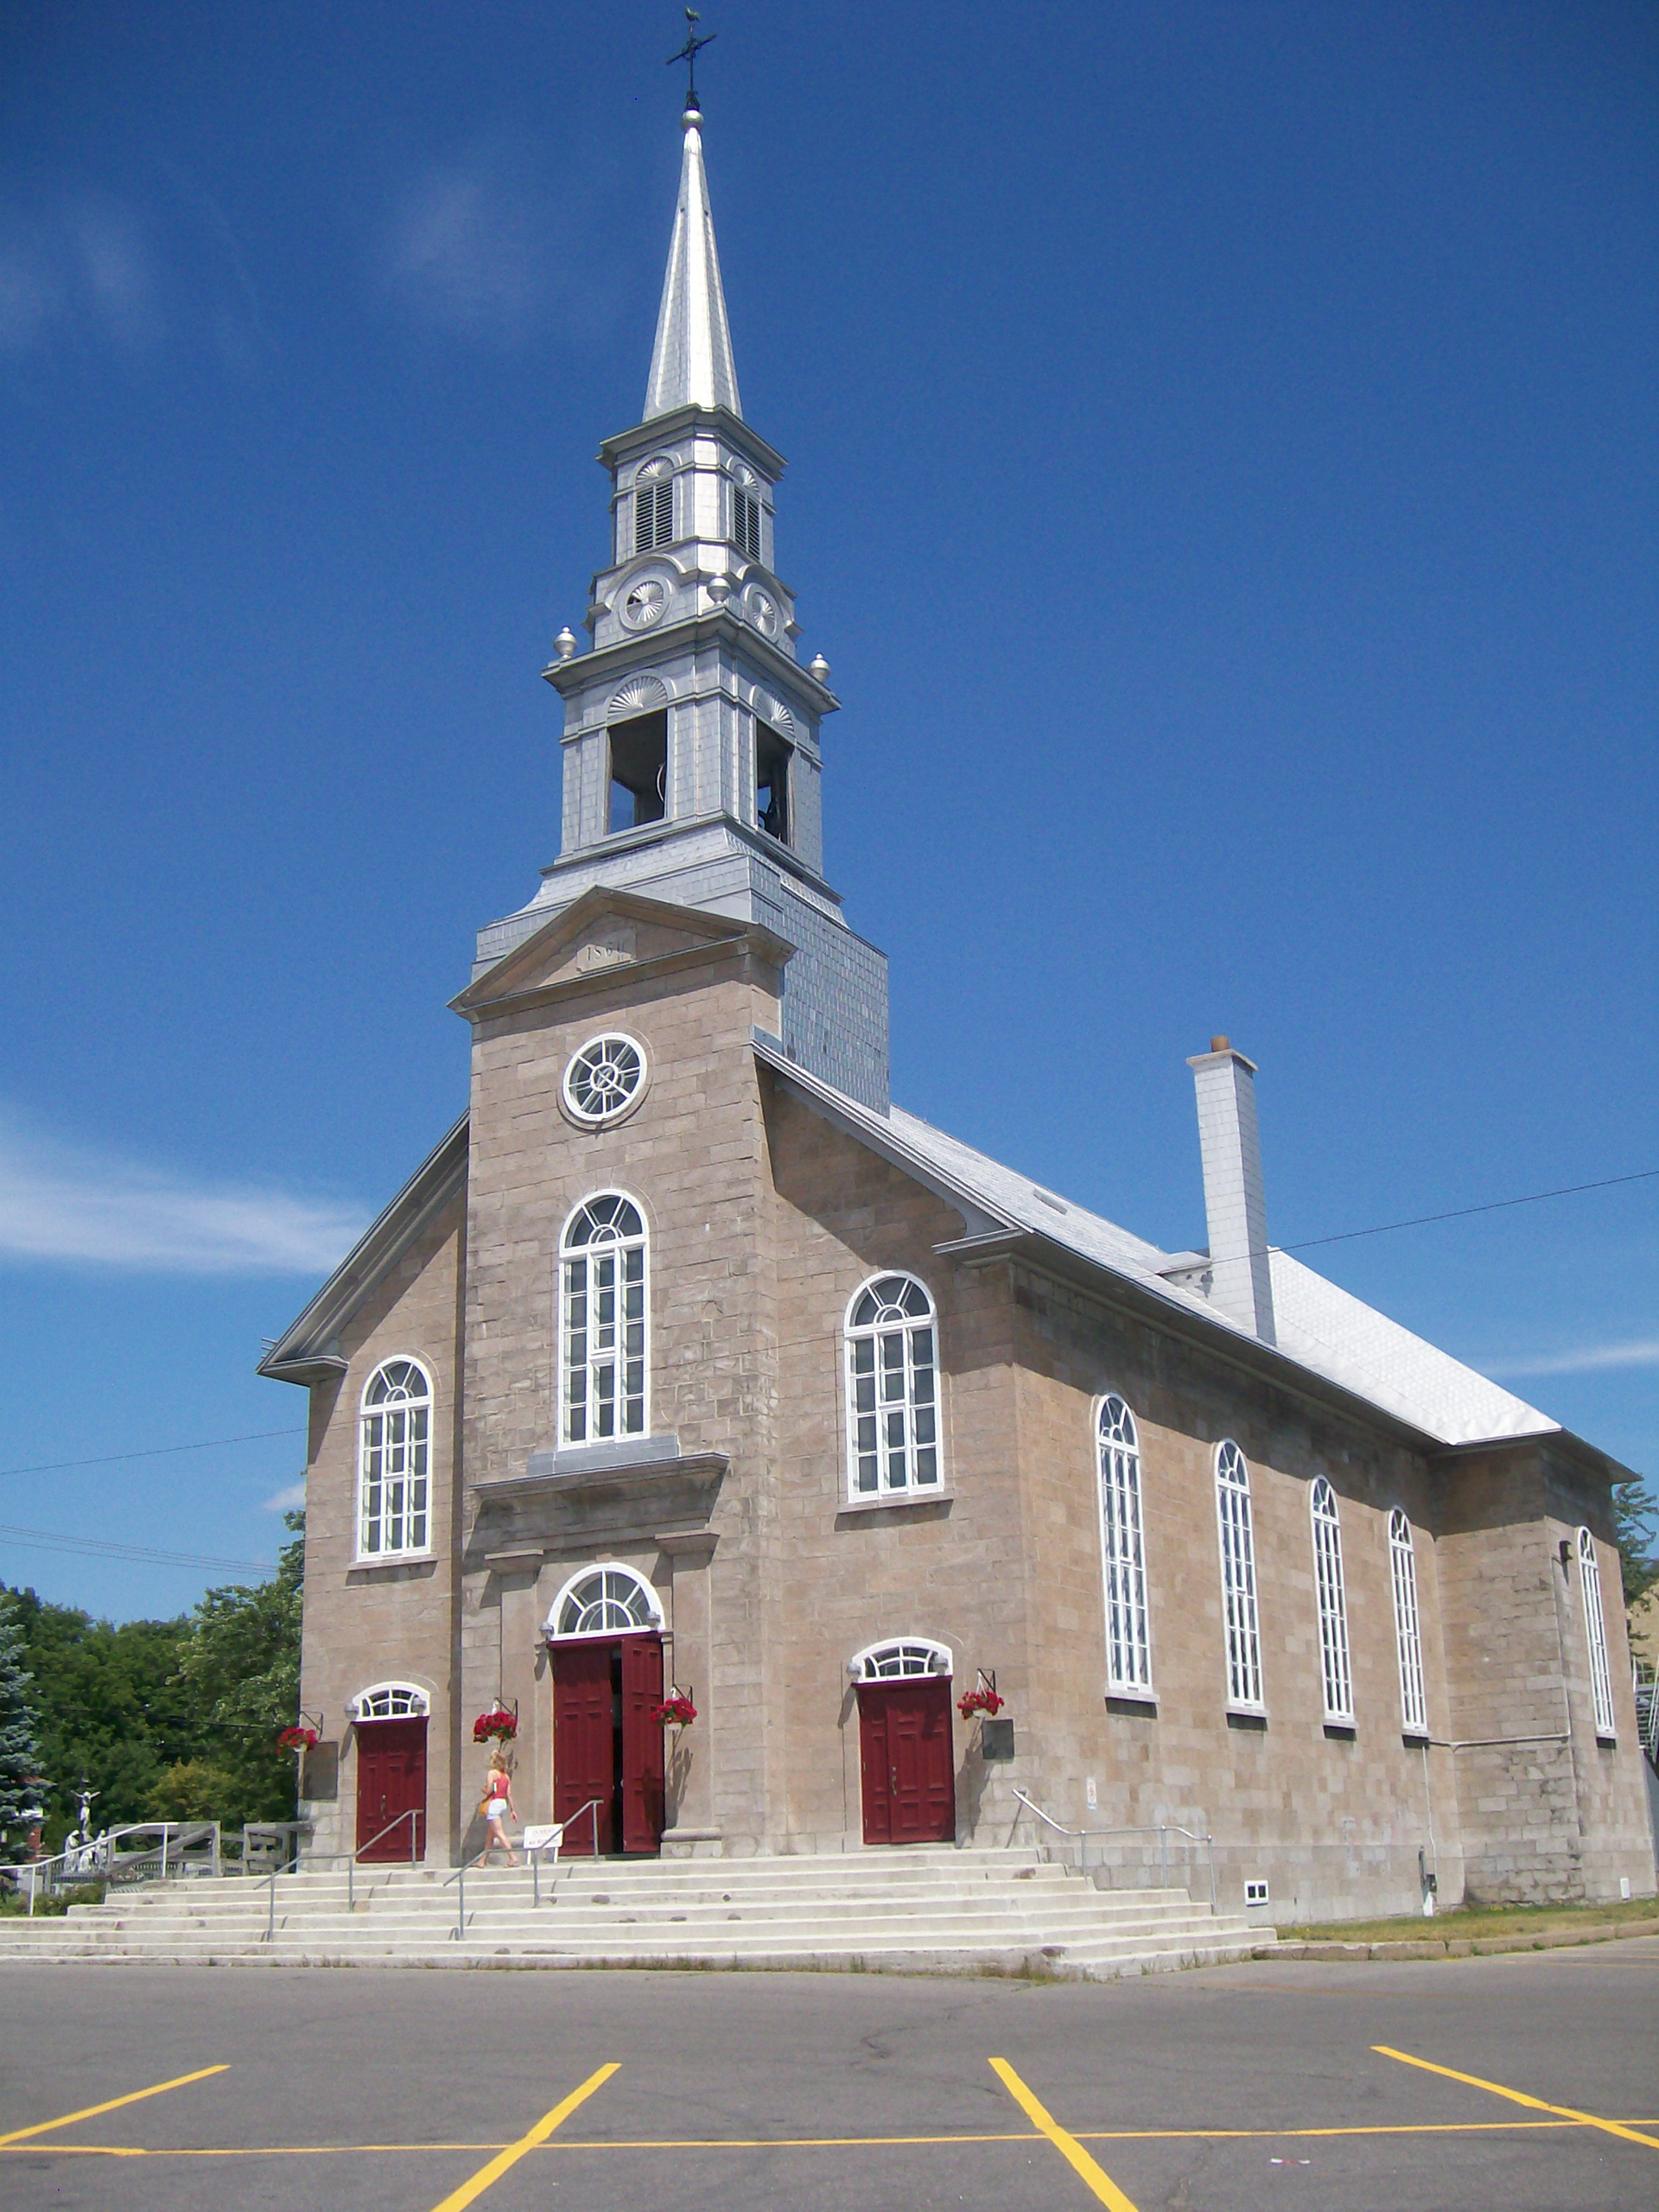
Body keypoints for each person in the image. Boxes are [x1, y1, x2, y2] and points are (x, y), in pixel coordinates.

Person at [479, 1750, 518, 1866]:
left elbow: (489, 1791)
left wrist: (484, 1790)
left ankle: (512, 1857)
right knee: (490, 1836)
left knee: (499, 1833)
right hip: (502, 1803)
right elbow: (509, 1794)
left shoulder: (492, 1773)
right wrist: (512, 1810)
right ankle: (482, 1861)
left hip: (495, 1803)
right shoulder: (506, 1776)